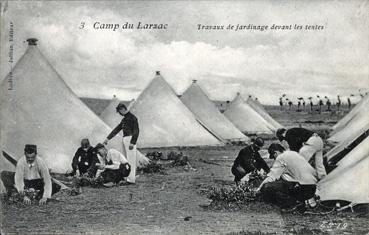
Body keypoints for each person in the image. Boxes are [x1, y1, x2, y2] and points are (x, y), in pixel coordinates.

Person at [256, 143, 317, 212]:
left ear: (275, 153)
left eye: (273, 157)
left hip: (302, 188)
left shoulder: (280, 158)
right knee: (283, 182)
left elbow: (270, 178)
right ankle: (303, 200)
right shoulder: (293, 153)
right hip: (312, 187)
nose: (274, 159)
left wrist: (259, 189)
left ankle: (292, 204)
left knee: (267, 186)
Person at [104, 102, 139, 184]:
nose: (120, 114)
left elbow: (136, 131)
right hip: (125, 139)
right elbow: (117, 129)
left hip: (130, 140)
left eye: (119, 112)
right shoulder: (124, 119)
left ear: (122, 109)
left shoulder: (133, 118)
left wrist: (132, 142)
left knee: (131, 160)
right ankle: (128, 176)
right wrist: (107, 138)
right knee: (126, 159)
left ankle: (131, 179)